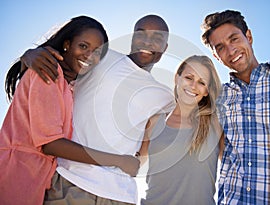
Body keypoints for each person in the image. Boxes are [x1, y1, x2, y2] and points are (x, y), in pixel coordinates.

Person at [21, 14, 175, 205]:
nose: (147, 41)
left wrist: (138, 162)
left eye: (157, 38)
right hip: (72, 181)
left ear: (165, 48)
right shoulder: (101, 57)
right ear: (133, 37)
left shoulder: (165, 96)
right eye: (141, 34)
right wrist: (29, 55)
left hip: (121, 194)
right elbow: (61, 57)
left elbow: (162, 134)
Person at [0, 16, 140, 205]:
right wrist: (119, 160)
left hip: (40, 176)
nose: (89, 56)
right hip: (18, 172)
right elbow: (51, 143)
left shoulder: (70, 84)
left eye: (97, 52)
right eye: (83, 46)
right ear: (67, 44)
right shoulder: (47, 72)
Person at [201, 9, 270, 204]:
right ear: (215, 56)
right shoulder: (218, 97)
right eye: (220, 47)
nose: (230, 51)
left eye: (234, 39)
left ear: (249, 36)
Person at [138, 55, 223, 205]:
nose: (193, 86)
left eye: (201, 82)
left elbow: (233, 166)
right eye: (189, 77)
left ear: (207, 91)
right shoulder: (155, 121)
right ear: (177, 78)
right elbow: (136, 163)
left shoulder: (216, 123)